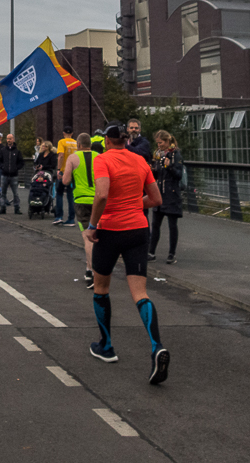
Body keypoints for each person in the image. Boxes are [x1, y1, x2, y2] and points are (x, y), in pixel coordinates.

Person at [87, 122, 169, 384]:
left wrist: (92, 225)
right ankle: (156, 346)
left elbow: (101, 194)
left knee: (101, 288)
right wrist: (135, 204)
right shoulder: (140, 160)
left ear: (106, 141)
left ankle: (107, 345)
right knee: (140, 293)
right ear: (124, 139)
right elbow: (156, 199)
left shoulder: (102, 160)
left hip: (110, 230)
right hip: (138, 230)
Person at [62, 132, 98, 288]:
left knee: (87, 238)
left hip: (81, 199)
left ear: (78, 144)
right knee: (98, 235)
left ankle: (93, 272)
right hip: (98, 199)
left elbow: (65, 180)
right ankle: (93, 270)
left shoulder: (73, 158)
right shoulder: (99, 156)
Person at [149, 131, 184, 263]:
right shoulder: (157, 155)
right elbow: (157, 175)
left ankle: (172, 254)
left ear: (167, 141)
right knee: (155, 224)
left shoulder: (176, 155)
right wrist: (153, 171)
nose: (159, 145)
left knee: (172, 225)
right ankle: (151, 252)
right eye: (157, 143)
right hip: (159, 193)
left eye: (161, 143)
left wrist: (169, 167)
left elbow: (178, 175)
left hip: (171, 194)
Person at [0, 131, 25, 215]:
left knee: (15, 193)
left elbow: (21, 162)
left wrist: (16, 168)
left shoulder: (17, 151)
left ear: (13, 140)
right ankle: (3, 208)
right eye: (7, 138)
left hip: (14, 175)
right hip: (4, 174)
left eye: (10, 139)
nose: (9, 140)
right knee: (3, 193)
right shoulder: (3, 150)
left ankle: (17, 208)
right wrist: (2, 167)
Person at [54, 128, 77, 225]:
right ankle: (71, 219)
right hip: (73, 171)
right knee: (70, 195)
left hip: (64, 170)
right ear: (72, 133)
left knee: (59, 193)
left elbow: (61, 155)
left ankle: (59, 216)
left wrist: (59, 169)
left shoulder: (61, 142)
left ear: (63, 133)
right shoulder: (76, 143)